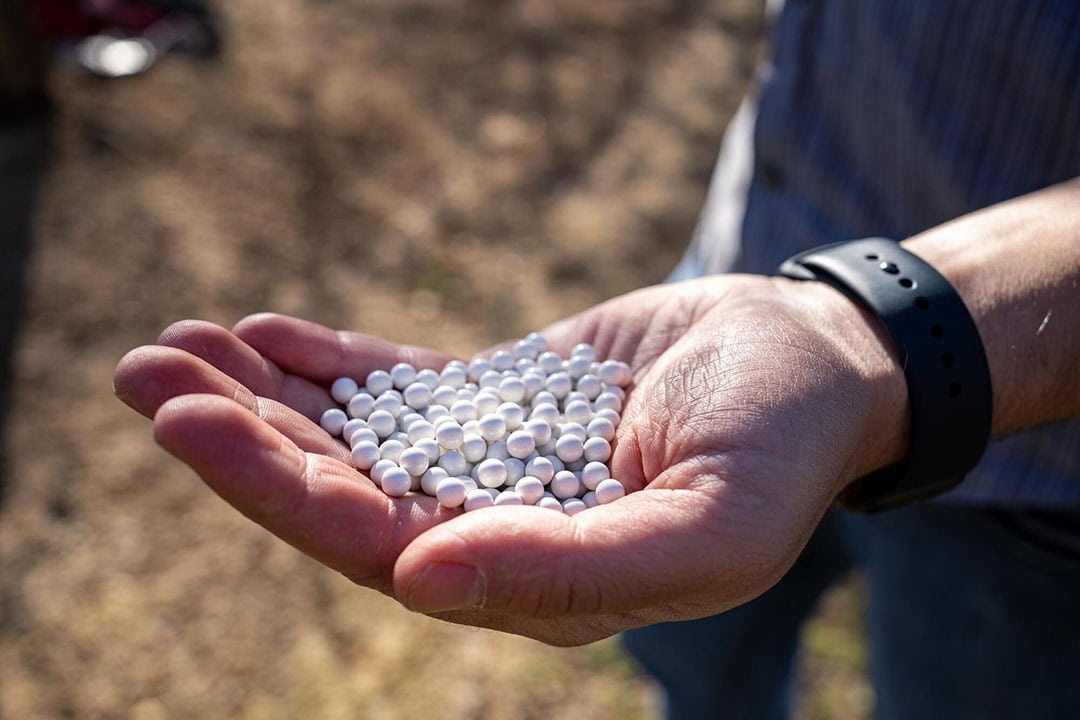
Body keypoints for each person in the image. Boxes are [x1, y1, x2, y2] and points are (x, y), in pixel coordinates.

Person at [114, 1, 1079, 717]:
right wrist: (825, 326)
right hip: (734, 298)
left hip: (1025, 473)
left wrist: (859, 337)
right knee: (694, 669)